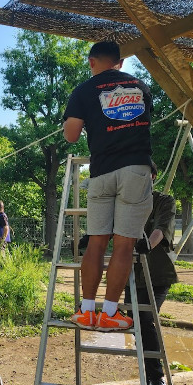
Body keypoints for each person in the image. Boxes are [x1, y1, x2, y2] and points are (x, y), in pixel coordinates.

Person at [63, 40, 153, 331]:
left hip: (101, 172)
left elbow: (71, 136)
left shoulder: (83, 91)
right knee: (124, 244)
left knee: (97, 242)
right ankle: (110, 313)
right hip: (136, 170)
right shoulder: (141, 87)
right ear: (121, 62)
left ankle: (87, 311)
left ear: (92, 62)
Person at [123, 161, 177, 385]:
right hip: (131, 274)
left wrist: (146, 244)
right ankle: (148, 376)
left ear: (153, 176)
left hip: (156, 273)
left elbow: (160, 229)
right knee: (136, 324)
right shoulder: (125, 203)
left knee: (146, 319)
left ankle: (157, 379)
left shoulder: (164, 201)